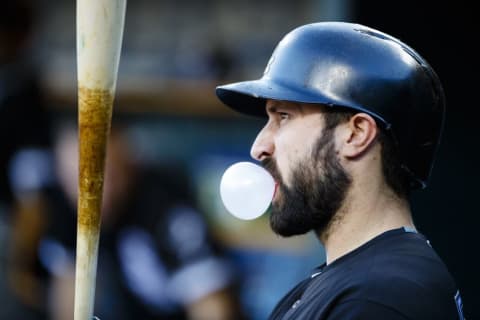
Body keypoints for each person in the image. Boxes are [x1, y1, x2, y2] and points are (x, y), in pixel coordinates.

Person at [215, 22, 465, 319]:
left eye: (284, 116)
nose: (259, 147)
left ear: (356, 134)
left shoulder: (380, 298)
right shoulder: (350, 282)